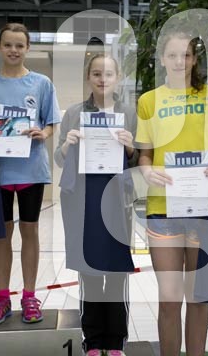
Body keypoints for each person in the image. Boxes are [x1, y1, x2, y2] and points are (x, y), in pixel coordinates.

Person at [135, 32, 208, 356]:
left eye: (186, 55)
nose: (180, 61)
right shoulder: (149, 100)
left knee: (197, 297)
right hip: (162, 207)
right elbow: (145, 155)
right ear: (162, 59)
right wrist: (147, 171)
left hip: (202, 205)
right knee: (169, 299)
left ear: (194, 60)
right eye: (173, 55)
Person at [0, 23, 61, 325]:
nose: (14, 50)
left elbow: (51, 122)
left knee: (30, 231)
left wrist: (43, 133)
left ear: (27, 48)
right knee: (2, 235)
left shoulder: (41, 83)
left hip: (30, 169)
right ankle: (2, 298)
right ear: (0, 47)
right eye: (8, 45)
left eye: (19, 45)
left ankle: (29, 296)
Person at [55, 53, 137, 356]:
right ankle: (92, 340)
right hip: (84, 201)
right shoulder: (74, 113)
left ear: (118, 78)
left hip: (116, 201)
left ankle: (115, 341)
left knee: (116, 272)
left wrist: (130, 147)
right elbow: (59, 158)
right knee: (88, 271)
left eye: (109, 74)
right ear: (88, 78)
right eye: (97, 74)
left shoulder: (128, 113)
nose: (103, 79)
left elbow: (138, 160)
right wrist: (68, 144)